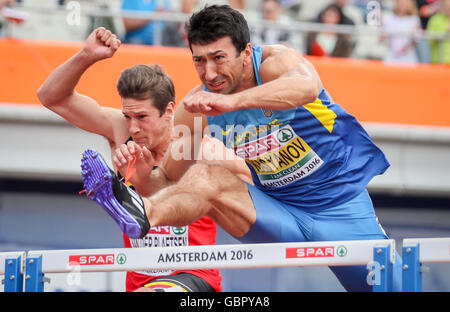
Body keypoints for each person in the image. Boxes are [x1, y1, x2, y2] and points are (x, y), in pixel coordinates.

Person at [81, 5, 402, 292]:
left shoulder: (276, 62)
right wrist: (141, 179)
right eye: (199, 61)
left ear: (246, 52)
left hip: (340, 205)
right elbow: (167, 181)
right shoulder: (195, 110)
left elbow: (307, 87)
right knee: (207, 175)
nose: (209, 73)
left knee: (394, 287)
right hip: (277, 213)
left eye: (219, 58)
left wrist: (231, 103)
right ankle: (142, 213)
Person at [37, 27, 223, 292]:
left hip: (193, 277)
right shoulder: (121, 132)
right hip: (140, 283)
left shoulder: (195, 145)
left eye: (143, 118)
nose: (133, 128)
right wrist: (86, 56)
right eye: (128, 116)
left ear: (169, 111)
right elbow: (50, 97)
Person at [381, 0, 421, 64]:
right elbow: (382, 39)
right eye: (400, 3)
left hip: (408, 58)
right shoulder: (387, 18)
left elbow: (415, 42)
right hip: (390, 57)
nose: (402, 6)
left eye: (405, 3)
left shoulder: (414, 20)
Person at [427, 0, 450, 64]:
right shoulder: (434, 19)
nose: (449, 8)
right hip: (438, 61)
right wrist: (445, 31)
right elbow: (430, 40)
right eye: (447, 6)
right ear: (442, 6)